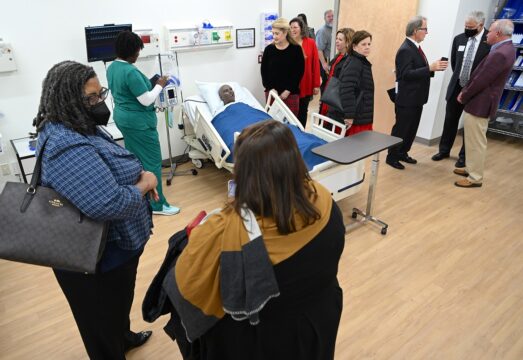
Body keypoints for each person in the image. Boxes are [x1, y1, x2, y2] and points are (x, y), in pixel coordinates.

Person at [171, 119, 345, 359]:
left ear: (245, 175)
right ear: (294, 161)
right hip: (317, 324)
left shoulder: (222, 235)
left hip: (260, 341)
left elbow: (187, 283)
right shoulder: (325, 205)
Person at [33, 61, 156, 359]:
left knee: (116, 306)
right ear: (68, 100)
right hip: (94, 258)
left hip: (115, 251)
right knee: (100, 320)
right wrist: (144, 182)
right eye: (90, 99)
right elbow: (108, 202)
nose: (99, 102)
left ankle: (122, 337)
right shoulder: (66, 145)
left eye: (100, 93)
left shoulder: (80, 126)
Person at [107, 30, 180, 216]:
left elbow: (130, 91)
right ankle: (158, 205)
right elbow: (146, 100)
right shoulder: (130, 71)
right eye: (137, 51)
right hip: (139, 123)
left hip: (124, 119)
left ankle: (141, 197)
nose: (138, 55)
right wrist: (160, 85)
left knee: (136, 160)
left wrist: (151, 82)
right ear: (130, 51)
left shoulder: (113, 67)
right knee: (152, 161)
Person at [455, 19, 516, 188]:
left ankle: (475, 177)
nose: (487, 33)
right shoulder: (507, 49)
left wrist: (464, 94)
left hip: (480, 103)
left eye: (489, 31)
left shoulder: (500, 53)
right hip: (483, 101)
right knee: (474, 139)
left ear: (498, 34)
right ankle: (470, 168)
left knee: (476, 141)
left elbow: (482, 79)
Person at [386, 16, 448, 170]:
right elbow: (405, 74)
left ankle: (402, 152)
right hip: (407, 98)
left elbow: (415, 70)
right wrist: (429, 68)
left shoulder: (415, 47)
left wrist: (432, 68)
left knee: (411, 129)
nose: (427, 32)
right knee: (401, 129)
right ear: (415, 31)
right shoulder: (405, 49)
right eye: (425, 29)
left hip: (416, 98)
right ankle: (391, 156)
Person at [432, 11, 490, 168]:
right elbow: (454, 64)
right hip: (457, 86)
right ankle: (443, 150)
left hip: (476, 89)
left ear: (480, 25)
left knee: (469, 124)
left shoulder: (489, 41)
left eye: (470, 27)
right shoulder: (459, 39)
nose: (467, 28)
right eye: (465, 25)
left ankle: (464, 156)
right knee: (450, 119)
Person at [327, 30, 374, 136]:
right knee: (355, 149)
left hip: (361, 114)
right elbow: (346, 89)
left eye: (369, 44)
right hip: (356, 117)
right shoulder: (355, 63)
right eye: (363, 44)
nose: (367, 47)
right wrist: (349, 115)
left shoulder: (360, 61)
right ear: (354, 46)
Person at [261, 18, 305, 117]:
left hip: (291, 95)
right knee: (273, 126)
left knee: (290, 126)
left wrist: (288, 90)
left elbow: (298, 72)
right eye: (273, 33)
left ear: (285, 33)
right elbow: (264, 72)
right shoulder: (269, 50)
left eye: (277, 33)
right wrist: (270, 88)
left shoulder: (296, 50)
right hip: (272, 94)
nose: (274, 36)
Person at [290, 17, 321, 127]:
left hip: (306, 83)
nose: (293, 30)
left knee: (303, 112)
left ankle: (302, 133)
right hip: (291, 85)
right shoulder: (288, 43)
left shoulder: (310, 43)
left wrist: (316, 84)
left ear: (301, 28)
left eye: (295, 27)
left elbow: (315, 65)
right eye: (291, 27)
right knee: (291, 114)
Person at [320, 28, 355, 116]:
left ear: (348, 42)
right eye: (336, 38)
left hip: (336, 99)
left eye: (340, 39)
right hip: (328, 93)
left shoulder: (350, 60)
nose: (336, 41)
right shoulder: (337, 56)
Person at [316, 9, 334, 94]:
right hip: (326, 61)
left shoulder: (336, 28)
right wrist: (324, 64)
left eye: (332, 16)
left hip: (334, 61)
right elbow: (319, 49)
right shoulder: (322, 31)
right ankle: (323, 105)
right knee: (326, 84)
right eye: (328, 16)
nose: (331, 18)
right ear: (325, 18)